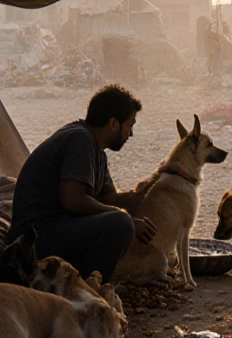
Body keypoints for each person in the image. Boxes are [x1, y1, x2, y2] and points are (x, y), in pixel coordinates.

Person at [9, 84, 157, 283]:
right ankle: (89, 289)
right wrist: (126, 218)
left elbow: (108, 199)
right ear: (113, 123)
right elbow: (73, 200)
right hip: (35, 237)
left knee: (120, 220)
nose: (131, 134)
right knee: (120, 224)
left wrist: (142, 194)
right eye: (130, 126)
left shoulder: (98, 152)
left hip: (58, 229)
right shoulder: (80, 140)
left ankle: (82, 282)